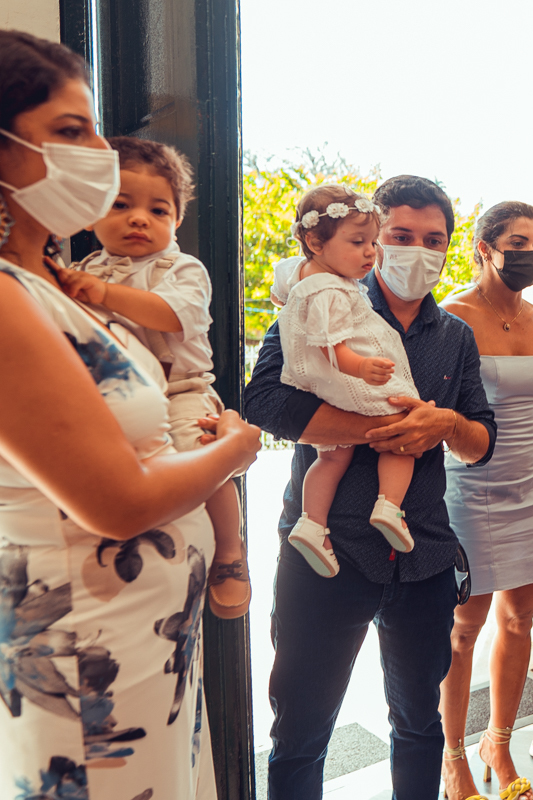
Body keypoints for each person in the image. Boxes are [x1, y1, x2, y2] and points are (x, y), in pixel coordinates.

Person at [0, 29, 261, 800]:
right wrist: (236, 449)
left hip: (141, 647)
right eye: (71, 133)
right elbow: (117, 502)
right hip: (88, 663)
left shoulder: (46, 280)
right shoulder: (11, 299)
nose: (99, 157)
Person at [244, 175, 497, 798]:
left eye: (433, 239)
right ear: (374, 238)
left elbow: (481, 440)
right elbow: (264, 400)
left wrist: (445, 424)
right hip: (325, 553)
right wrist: (376, 427)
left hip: (422, 553)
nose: (418, 250)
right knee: (302, 732)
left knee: (418, 725)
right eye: (402, 235)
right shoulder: (321, 301)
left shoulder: (456, 335)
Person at [52, 135, 252, 619]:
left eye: (158, 210)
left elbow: (166, 315)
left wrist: (99, 293)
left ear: (177, 220)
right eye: (120, 205)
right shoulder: (86, 267)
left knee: (199, 448)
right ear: (92, 212)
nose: (139, 218)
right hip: (112, 399)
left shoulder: (182, 269)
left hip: (182, 390)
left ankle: (230, 552)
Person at [438, 201, 533, 800]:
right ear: (483, 249)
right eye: (517, 242)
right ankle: (452, 757)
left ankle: (498, 741)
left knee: (520, 619)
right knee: (462, 630)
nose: (531, 254)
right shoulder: (449, 320)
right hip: (468, 489)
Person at [273, 185, 418, 577]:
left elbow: (281, 285)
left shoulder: (301, 275)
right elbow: (332, 347)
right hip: (350, 378)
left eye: (372, 241)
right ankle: (389, 505)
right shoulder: (330, 291)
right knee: (404, 432)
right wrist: (362, 368)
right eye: (357, 242)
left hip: (317, 386)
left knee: (332, 455)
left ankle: (312, 523)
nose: (371, 252)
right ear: (315, 241)